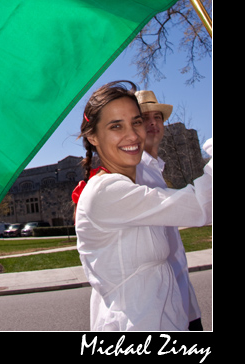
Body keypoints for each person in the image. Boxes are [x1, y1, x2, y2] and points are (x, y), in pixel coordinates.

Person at [74, 81, 211, 332]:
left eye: (136, 122)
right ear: (92, 136)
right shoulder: (106, 191)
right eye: (116, 126)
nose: (134, 134)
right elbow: (203, 206)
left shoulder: (128, 184)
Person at [135, 89, 203, 331]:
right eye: (144, 118)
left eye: (158, 117)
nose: (153, 123)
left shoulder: (156, 169)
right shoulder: (135, 173)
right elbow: (199, 208)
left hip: (184, 299)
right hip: (162, 311)